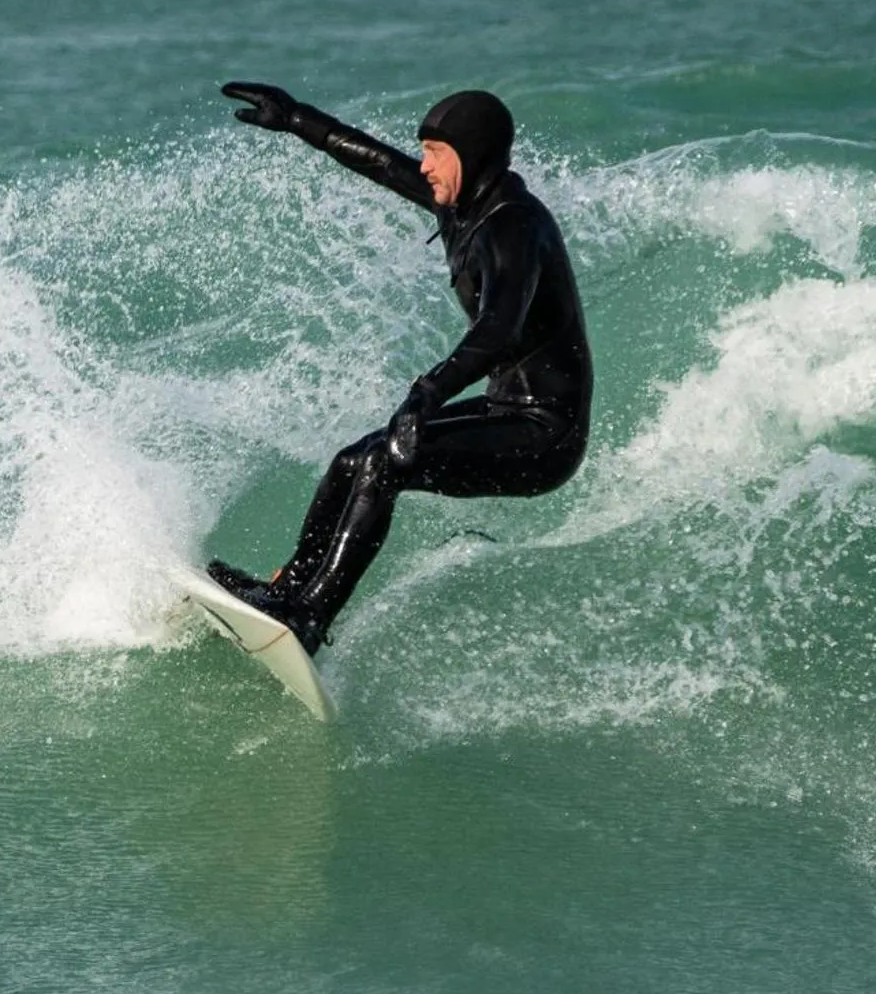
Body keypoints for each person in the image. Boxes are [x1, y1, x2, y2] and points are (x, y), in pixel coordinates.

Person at [206, 82, 593, 654]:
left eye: (436, 153)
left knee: (385, 463)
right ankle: (286, 590)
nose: (424, 165)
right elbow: (384, 166)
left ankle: (310, 615)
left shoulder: (513, 227)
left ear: (473, 155)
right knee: (352, 461)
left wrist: (427, 392)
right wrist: (297, 119)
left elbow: (498, 329)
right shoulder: (466, 204)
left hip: (545, 434)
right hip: (506, 411)